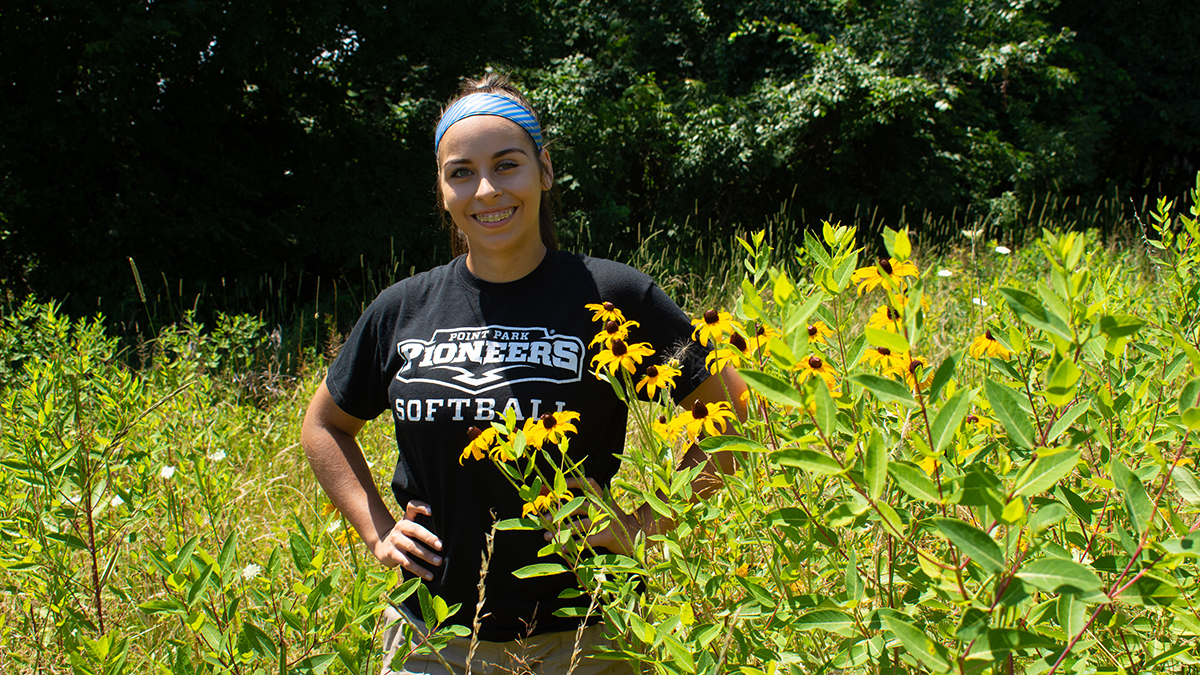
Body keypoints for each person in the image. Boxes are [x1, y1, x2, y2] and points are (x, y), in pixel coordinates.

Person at [300, 73, 747, 675]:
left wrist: (651, 521)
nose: (486, 190)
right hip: (431, 640)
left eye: (506, 165)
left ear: (544, 171)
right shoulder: (403, 308)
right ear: (442, 190)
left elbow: (735, 409)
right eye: (461, 172)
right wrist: (378, 529)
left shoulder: (614, 295)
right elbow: (325, 425)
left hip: (586, 636)